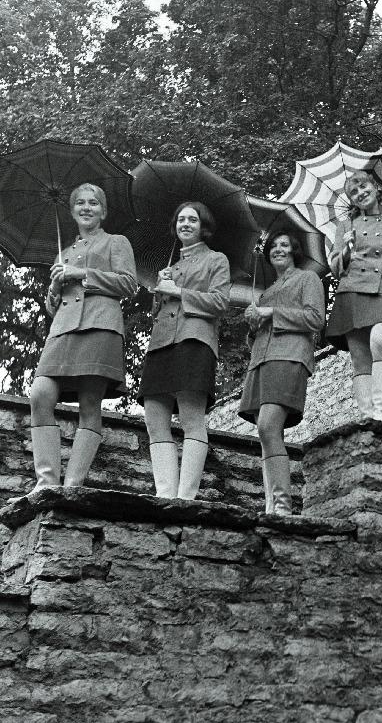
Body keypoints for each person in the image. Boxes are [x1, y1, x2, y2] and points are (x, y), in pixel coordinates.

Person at [28, 183, 138, 490]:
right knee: (40, 394)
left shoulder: (117, 242)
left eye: (93, 203)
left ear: (103, 211)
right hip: (62, 331)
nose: (86, 207)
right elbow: (56, 306)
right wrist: (53, 289)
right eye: (80, 203)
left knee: (90, 404)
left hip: (101, 326)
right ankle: (47, 482)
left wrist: (81, 274)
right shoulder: (63, 252)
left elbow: (129, 285)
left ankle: (73, 484)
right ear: (73, 210)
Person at [138, 202, 231, 500]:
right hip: (161, 342)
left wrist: (177, 291)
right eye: (181, 219)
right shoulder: (170, 266)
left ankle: (186, 497)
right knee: (154, 418)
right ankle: (165, 494)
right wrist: (161, 287)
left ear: (204, 226)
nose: (186, 224)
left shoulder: (216, 260)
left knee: (191, 418)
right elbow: (158, 311)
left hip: (195, 340)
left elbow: (220, 303)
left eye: (193, 219)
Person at [238, 229, 324, 515]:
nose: (278, 249)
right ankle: (271, 505)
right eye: (273, 246)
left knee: (267, 426)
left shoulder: (307, 278)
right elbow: (257, 336)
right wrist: (253, 323)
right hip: (260, 361)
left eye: (284, 245)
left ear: (295, 250)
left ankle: (283, 504)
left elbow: (315, 319)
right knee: (267, 433)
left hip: (289, 357)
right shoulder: (266, 293)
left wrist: (272, 313)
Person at [326, 170, 382, 421]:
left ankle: (381, 411)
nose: (360, 193)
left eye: (363, 187)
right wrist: (345, 247)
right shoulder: (346, 226)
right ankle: (367, 415)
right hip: (352, 292)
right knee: (360, 357)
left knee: (380, 342)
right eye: (354, 192)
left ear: (375, 188)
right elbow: (335, 269)